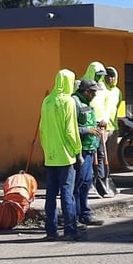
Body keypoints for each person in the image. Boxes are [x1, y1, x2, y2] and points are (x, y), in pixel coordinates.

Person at [39, 69, 82, 241]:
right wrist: (77, 150)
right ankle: (70, 230)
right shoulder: (68, 101)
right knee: (66, 193)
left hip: (50, 156)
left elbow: (42, 130)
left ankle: (51, 230)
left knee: (50, 194)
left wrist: (47, 150)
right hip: (66, 156)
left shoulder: (47, 101)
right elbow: (71, 131)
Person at [73, 79, 105, 227]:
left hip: (90, 148)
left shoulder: (86, 103)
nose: (95, 95)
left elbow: (86, 122)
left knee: (86, 183)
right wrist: (88, 130)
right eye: (93, 92)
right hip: (80, 150)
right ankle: (74, 216)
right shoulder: (75, 103)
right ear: (86, 91)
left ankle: (85, 214)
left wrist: (97, 125)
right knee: (78, 184)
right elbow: (71, 127)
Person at [80, 61, 112, 197]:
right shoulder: (82, 85)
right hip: (87, 125)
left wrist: (105, 119)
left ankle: (101, 180)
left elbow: (107, 106)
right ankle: (88, 181)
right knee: (89, 154)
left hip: (100, 124)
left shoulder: (103, 88)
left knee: (101, 154)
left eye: (101, 75)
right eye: (97, 75)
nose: (99, 78)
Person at [101, 65, 124, 173]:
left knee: (109, 154)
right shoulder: (101, 90)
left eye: (112, 76)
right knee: (101, 155)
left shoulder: (118, 92)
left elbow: (117, 107)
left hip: (113, 128)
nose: (110, 79)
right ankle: (98, 175)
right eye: (107, 76)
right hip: (102, 127)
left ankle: (106, 174)